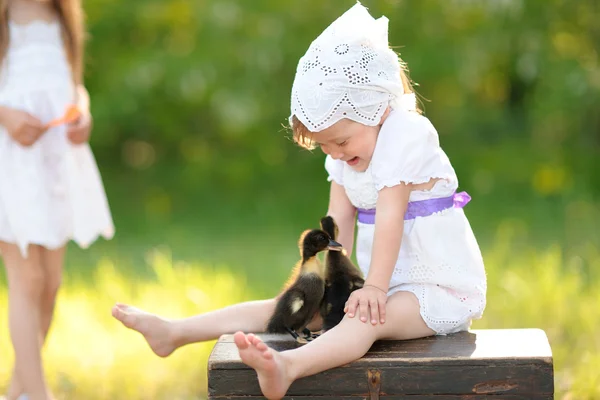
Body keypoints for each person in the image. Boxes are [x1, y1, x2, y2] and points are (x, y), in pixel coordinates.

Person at [112, 2, 486, 399]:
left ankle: (288, 367)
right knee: (294, 305)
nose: (335, 153)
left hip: (435, 287)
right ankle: (175, 332)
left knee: (366, 320)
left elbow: (391, 217)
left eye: (340, 141)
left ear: (375, 108)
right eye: (325, 146)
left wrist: (374, 288)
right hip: (385, 285)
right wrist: (323, 287)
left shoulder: (405, 134)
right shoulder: (346, 156)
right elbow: (335, 225)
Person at [0, 0, 114, 399]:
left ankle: (18, 392)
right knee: (27, 279)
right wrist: (5, 114)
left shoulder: (62, 13)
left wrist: (82, 111)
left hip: (56, 160)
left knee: (50, 284)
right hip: (13, 162)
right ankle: (39, 394)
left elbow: (73, 82)